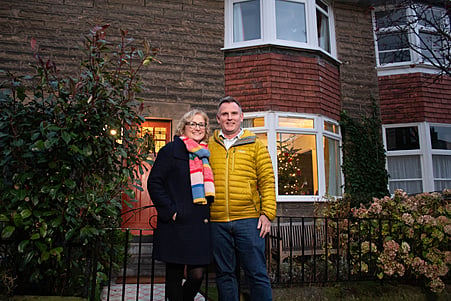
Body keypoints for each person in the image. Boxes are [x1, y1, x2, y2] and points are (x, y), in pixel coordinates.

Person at [208, 96, 277, 301]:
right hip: (217, 221)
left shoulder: (255, 144)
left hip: (249, 220)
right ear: (218, 118)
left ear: (241, 117)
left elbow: (267, 180)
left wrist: (267, 214)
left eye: (234, 113)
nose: (230, 118)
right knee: (224, 274)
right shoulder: (209, 145)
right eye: (225, 114)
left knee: (256, 274)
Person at [148, 109, 215, 301]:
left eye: (201, 124)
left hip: (199, 223)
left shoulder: (205, 154)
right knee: (175, 274)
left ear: (206, 128)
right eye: (192, 124)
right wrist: (171, 211)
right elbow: (154, 182)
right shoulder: (170, 150)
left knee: (198, 274)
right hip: (177, 223)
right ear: (183, 127)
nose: (197, 128)